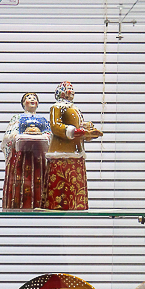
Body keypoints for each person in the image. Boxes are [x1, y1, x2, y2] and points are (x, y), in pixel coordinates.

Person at [42, 81, 102, 211]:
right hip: (62, 151)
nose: (72, 92)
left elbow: (78, 127)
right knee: (60, 181)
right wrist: (74, 131)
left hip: (76, 150)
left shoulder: (75, 108)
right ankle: (57, 205)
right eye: (69, 89)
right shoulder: (57, 107)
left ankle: (75, 204)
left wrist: (87, 131)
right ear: (62, 92)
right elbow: (56, 126)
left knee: (75, 181)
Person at [1, 92, 50, 211]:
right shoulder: (17, 118)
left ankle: (40, 205)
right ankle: (17, 205)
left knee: (39, 179)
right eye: (28, 98)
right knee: (20, 181)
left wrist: (45, 136)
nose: (32, 100)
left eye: (34, 98)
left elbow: (49, 134)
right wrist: (17, 136)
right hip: (21, 156)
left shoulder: (43, 119)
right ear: (23, 103)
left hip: (38, 156)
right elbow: (9, 134)